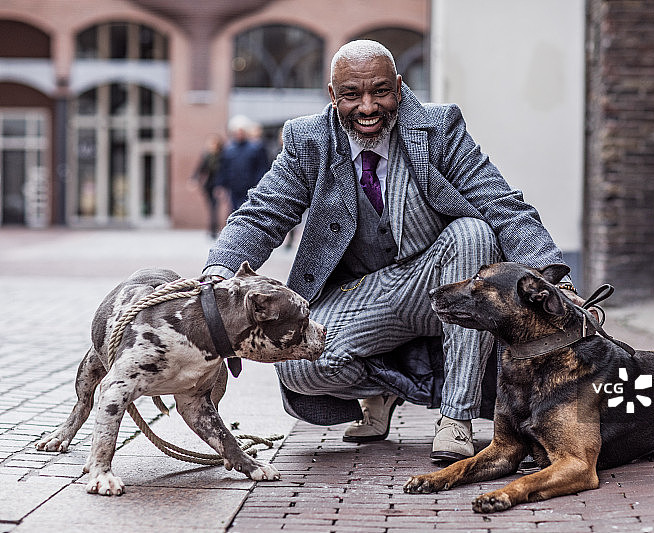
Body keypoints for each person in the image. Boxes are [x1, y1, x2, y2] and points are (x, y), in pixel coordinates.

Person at [203, 40, 575, 462]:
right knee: (297, 366)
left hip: (438, 280)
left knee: (474, 232)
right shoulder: (308, 139)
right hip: (363, 294)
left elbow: (501, 203)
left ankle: (456, 418)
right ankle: (382, 389)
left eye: (380, 91)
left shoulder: (438, 129)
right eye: (351, 94)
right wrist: (218, 274)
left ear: (399, 86)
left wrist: (552, 280)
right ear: (332, 95)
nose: (367, 107)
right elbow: (261, 213)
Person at [217, 115, 269, 211]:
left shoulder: (255, 148)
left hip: (250, 186)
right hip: (234, 187)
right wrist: (221, 184)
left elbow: (262, 167)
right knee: (233, 210)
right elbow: (223, 168)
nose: (239, 134)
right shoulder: (228, 149)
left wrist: (259, 183)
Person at [191, 133, 225, 238]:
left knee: (214, 207)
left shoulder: (222, 156)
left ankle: (213, 230)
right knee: (211, 207)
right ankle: (212, 230)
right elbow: (200, 168)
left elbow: (223, 171)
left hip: (218, 184)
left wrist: (221, 186)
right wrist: (194, 179)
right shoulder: (207, 155)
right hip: (209, 185)